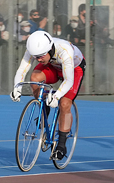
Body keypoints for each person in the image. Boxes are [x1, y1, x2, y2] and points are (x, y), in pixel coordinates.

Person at [10, 30, 86, 160]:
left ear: (50, 49)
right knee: (34, 77)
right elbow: (23, 69)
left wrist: (57, 96)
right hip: (53, 66)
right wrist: (17, 87)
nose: (38, 59)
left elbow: (69, 80)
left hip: (73, 70)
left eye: (40, 56)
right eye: (35, 57)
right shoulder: (34, 49)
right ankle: (44, 107)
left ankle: (61, 144)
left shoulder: (65, 50)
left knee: (64, 103)